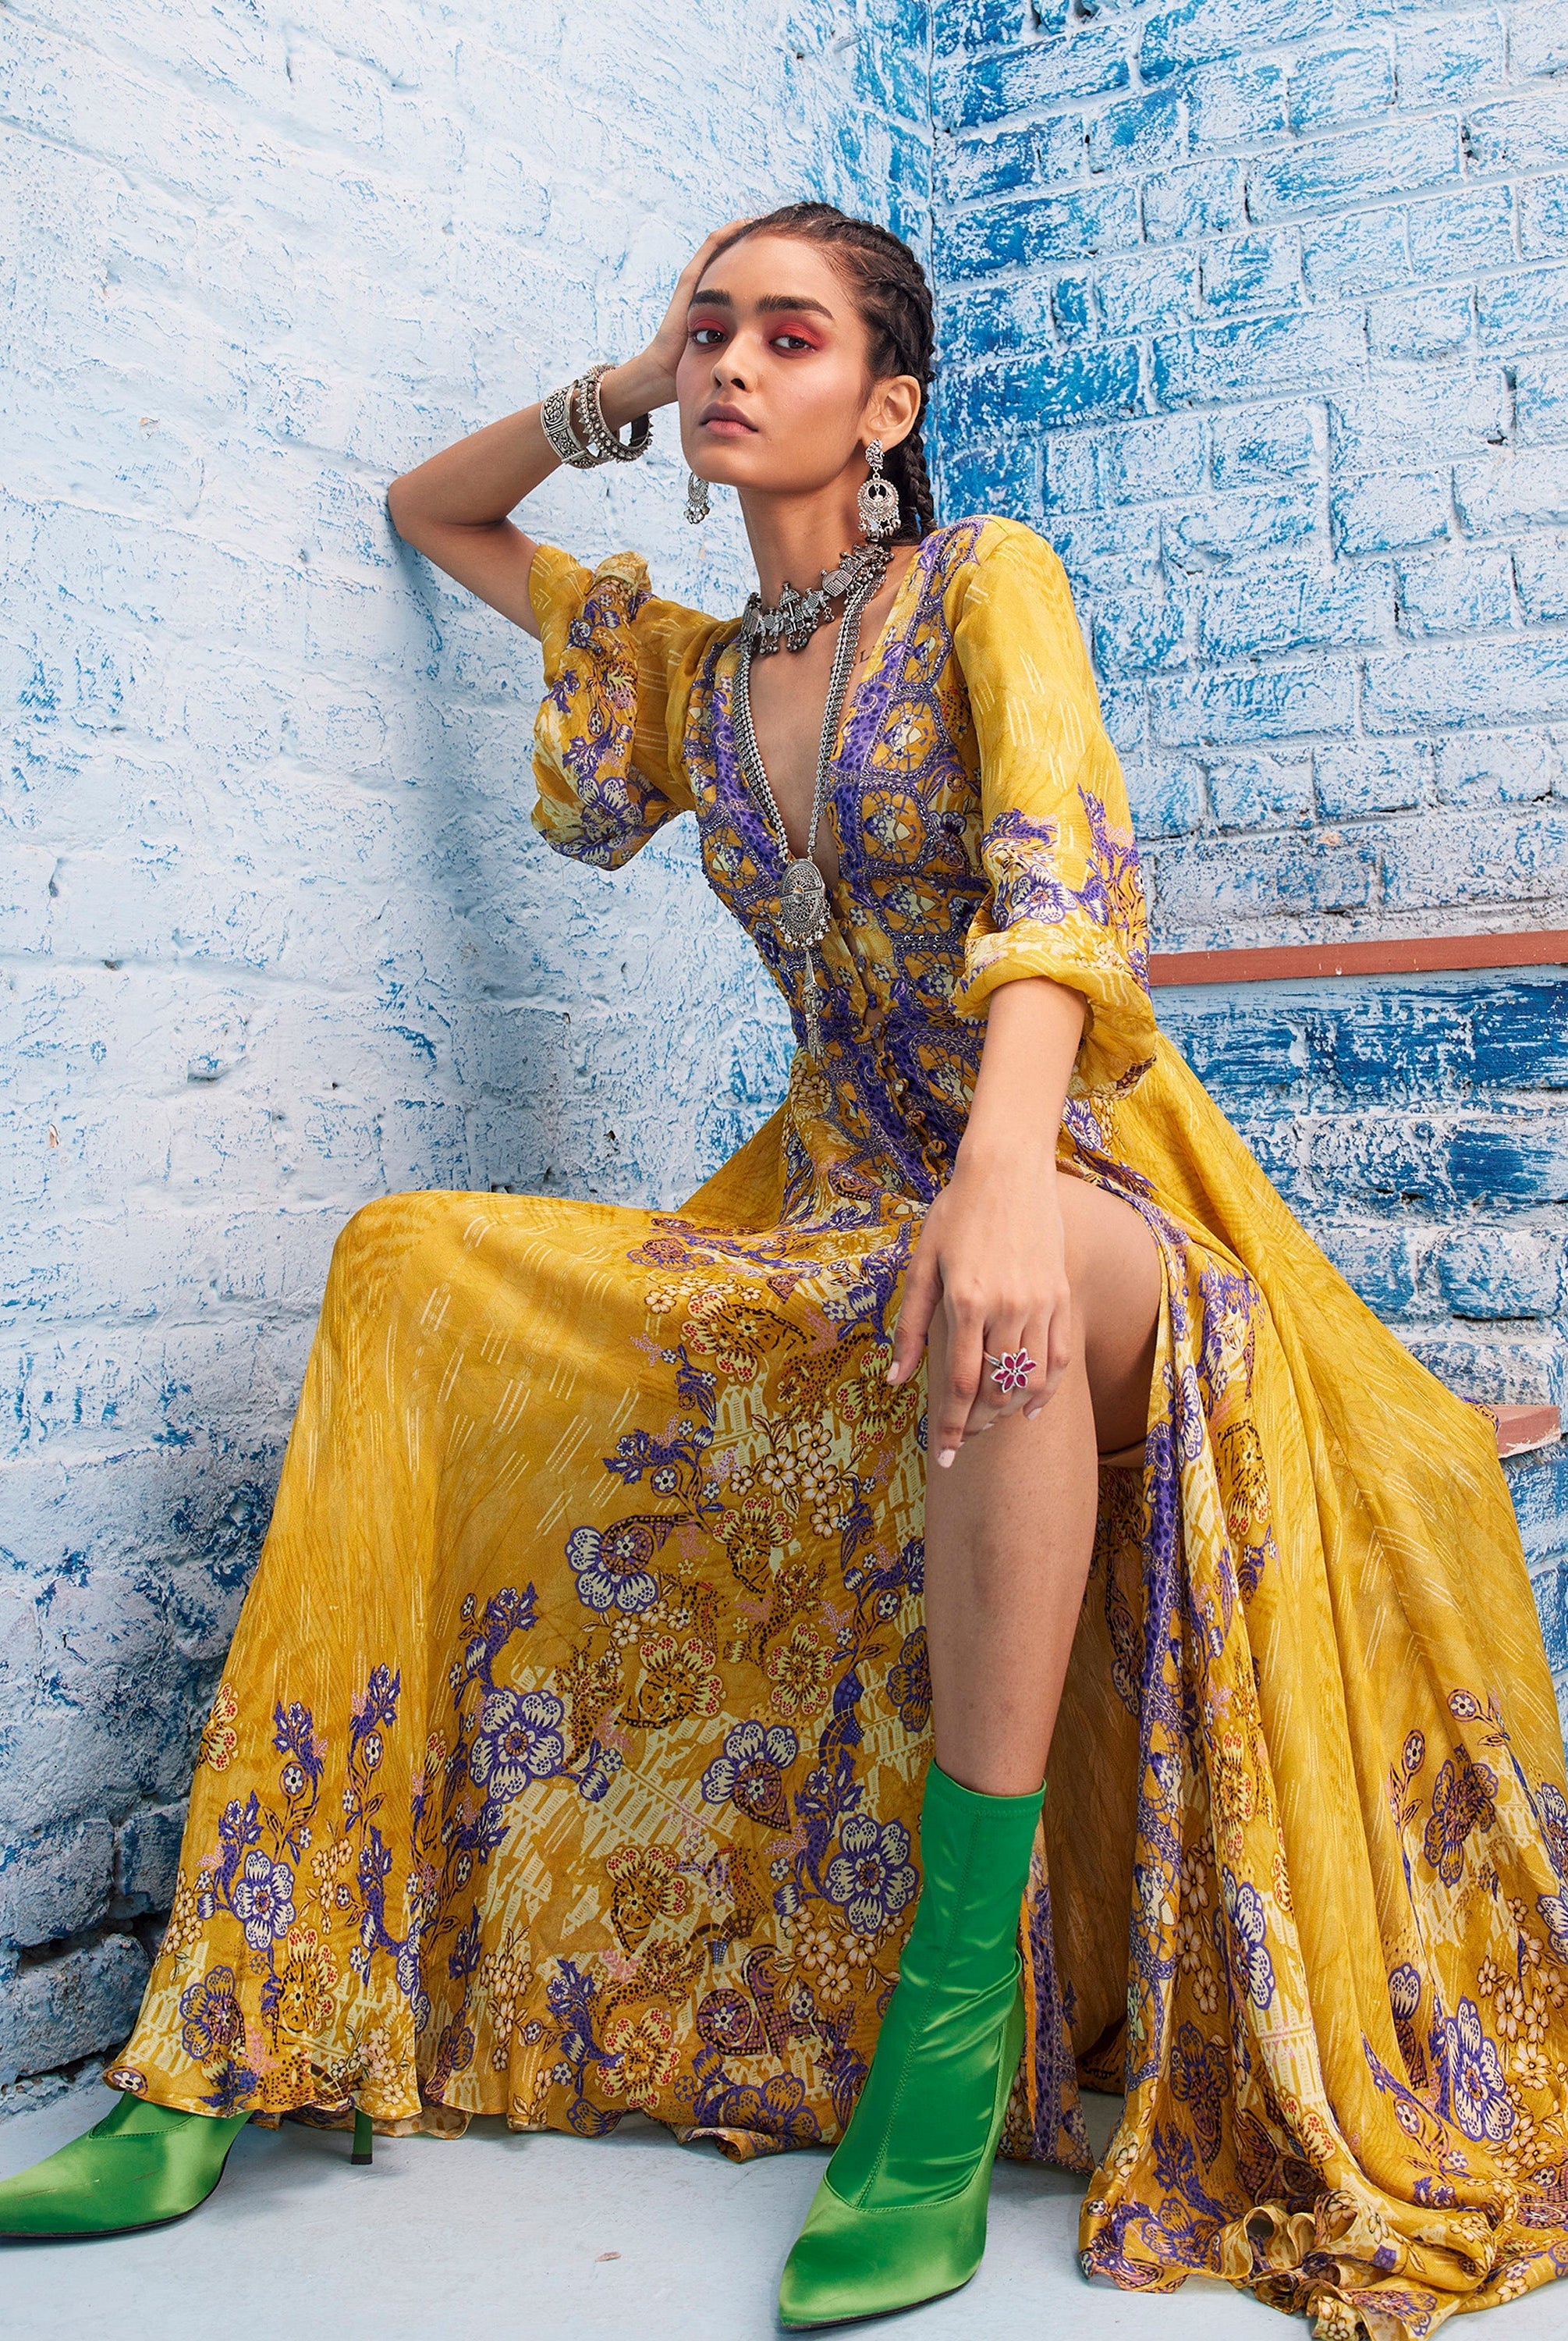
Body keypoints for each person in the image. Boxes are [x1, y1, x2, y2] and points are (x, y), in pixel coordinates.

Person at [5, 201, 1567, 2339]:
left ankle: (945, 2047)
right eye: (711, 330)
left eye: (789, 336)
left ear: (889, 404)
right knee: (409, 1260)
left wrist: (1000, 1171)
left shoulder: (983, 580)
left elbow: (1062, 883)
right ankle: (230, 2026)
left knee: (1001, 1288)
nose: (735, 363)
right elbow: (434, 512)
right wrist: (625, 386)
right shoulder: (691, 674)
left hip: (1083, 1191)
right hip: (832, 1212)